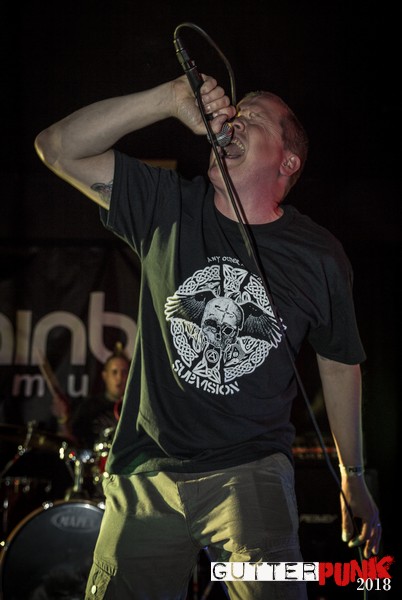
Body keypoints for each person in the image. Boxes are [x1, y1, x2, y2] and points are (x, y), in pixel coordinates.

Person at [34, 70, 381, 600]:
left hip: (252, 470)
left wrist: (352, 474)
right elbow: (57, 147)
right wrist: (167, 98)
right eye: (234, 113)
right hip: (146, 474)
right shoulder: (167, 205)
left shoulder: (319, 256)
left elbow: (339, 364)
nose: (233, 120)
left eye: (254, 117)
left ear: (288, 161)